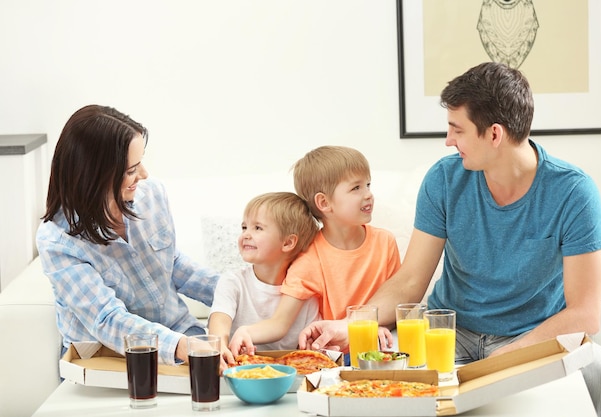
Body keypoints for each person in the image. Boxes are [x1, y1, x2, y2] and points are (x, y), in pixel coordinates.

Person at [297, 63, 601, 417]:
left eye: (457, 130)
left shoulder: (573, 192)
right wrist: (350, 325)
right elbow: (409, 281)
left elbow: (584, 314)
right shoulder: (444, 179)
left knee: (598, 368)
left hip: (530, 337)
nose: (449, 141)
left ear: (494, 134)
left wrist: (507, 357)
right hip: (449, 333)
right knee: (378, 378)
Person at [36, 105, 219, 365]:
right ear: (95, 175)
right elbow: (107, 320)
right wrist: (180, 346)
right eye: (131, 170)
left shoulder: (151, 194)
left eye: (140, 162)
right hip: (108, 358)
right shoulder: (57, 240)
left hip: (180, 336)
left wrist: (238, 292)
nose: (143, 175)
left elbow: (173, 264)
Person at [228, 146, 401, 359]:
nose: (368, 195)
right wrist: (245, 331)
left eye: (368, 185)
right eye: (356, 188)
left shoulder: (385, 242)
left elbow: (396, 305)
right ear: (324, 202)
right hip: (336, 355)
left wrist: (375, 327)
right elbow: (280, 322)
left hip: (379, 346)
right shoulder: (309, 259)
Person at [208, 192, 321, 369]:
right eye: (244, 227)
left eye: (257, 228)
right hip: (236, 371)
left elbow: (309, 355)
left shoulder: (305, 297)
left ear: (288, 243)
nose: (246, 234)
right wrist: (220, 345)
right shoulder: (233, 282)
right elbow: (219, 321)